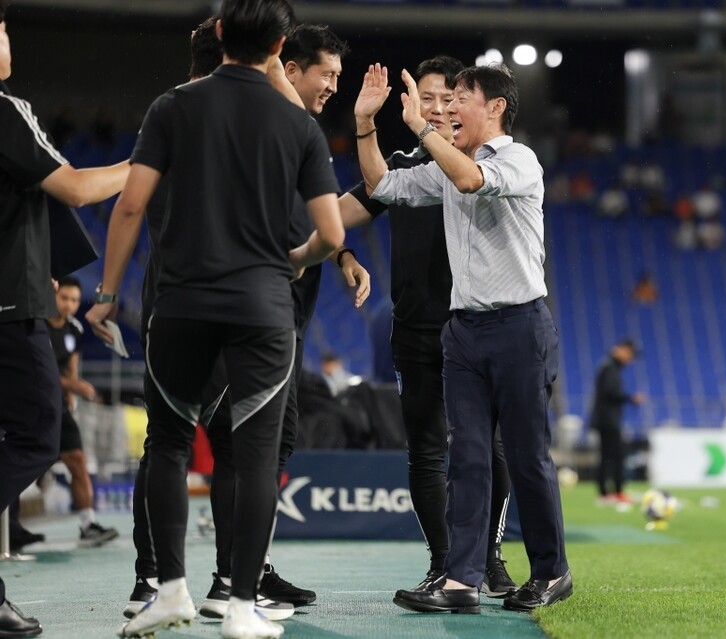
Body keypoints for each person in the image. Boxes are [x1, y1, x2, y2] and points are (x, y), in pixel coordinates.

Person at [86, 2, 345, 638]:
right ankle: (239, 606)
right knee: (254, 456)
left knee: (170, 445)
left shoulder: (172, 106)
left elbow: (129, 208)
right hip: (261, 308)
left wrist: (106, 292)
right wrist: (291, 261)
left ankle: (166, 589)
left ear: (221, 33)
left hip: (178, 303)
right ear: (281, 44)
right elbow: (331, 235)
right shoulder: (298, 125)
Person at [356, 62, 573, 613]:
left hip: (520, 325)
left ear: (495, 106)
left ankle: (551, 572)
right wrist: (365, 125)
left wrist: (424, 130)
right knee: (468, 458)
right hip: (464, 331)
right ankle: (461, 580)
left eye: (459, 100)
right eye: (444, 102)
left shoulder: (517, 159)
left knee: (526, 457)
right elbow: (382, 185)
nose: (448, 109)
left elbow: (471, 180)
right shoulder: (449, 164)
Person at [336, 55, 517, 598]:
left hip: (475, 325)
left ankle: (488, 558)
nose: (437, 109)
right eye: (427, 99)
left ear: (464, 104)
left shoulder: (481, 166)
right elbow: (338, 212)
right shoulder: (403, 169)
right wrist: (343, 253)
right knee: (426, 451)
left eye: (447, 99)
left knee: (488, 448)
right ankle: (444, 563)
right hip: (415, 330)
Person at [0, 1, 129, 634]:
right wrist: (146, 164)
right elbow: (76, 187)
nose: (8, 42)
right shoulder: (3, 109)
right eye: (2, 30)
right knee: (37, 432)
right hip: (6, 307)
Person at [44, 276, 119, 544]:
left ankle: (89, 524)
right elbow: (40, 373)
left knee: (77, 460)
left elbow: (70, 369)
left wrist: (71, 396)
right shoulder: (36, 327)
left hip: (60, 409)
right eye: (64, 298)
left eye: (75, 300)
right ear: (53, 296)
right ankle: (12, 525)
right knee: (31, 464)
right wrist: (73, 385)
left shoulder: (74, 330)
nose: (70, 304)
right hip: (34, 407)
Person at [589, 339, 644, 505]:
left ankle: (606, 493)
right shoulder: (609, 367)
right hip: (608, 420)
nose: (631, 359)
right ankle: (615, 492)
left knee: (608, 456)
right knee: (615, 456)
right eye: (630, 354)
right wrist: (630, 398)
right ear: (621, 350)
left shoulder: (608, 366)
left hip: (605, 419)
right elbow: (610, 393)